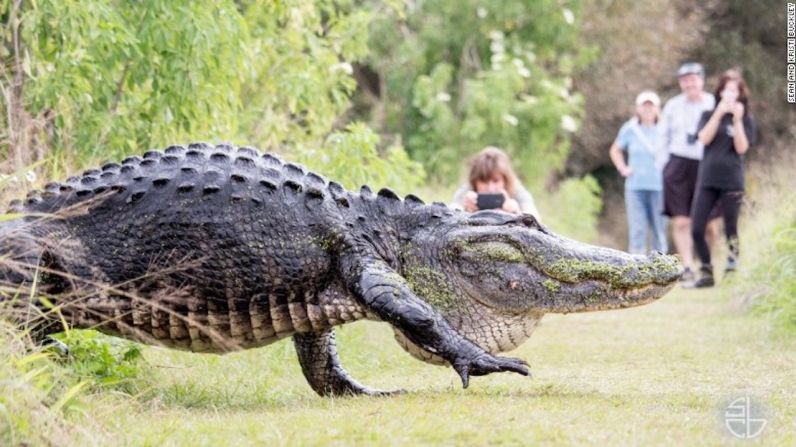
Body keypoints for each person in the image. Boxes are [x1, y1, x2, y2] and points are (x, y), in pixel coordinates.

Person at [690, 70, 756, 288]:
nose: (729, 94)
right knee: (697, 228)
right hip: (708, 178)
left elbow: (741, 147)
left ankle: (732, 267)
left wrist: (736, 120)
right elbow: (704, 138)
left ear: (740, 94)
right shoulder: (708, 114)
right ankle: (706, 270)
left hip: (732, 180)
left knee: (731, 228)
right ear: (720, 91)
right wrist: (719, 113)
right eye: (726, 89)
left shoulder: (746, 119)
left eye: (734, 90)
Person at [660, 62, 719, 281]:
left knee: (710, 223)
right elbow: (662, 138)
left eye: (693, 79)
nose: (690, 83)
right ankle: (687, 266)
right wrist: (664, 168)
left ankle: (707, 264)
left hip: (707, 164)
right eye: (685, 80)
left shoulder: (713, 103)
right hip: (678, 163)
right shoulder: (673, 106)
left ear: (701, 80)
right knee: (681, 221)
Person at [609, 91, 667, 254]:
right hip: (636, 186)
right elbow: (616, 150)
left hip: (660, 186)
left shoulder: (665, 129)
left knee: (659, 229)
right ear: (638, 108)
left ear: (657, 108)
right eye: (644, 105)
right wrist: (623, 168)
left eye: (651, 106)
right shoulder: (630, 129)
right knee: (637, 229)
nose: (648, 109)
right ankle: (636, 267)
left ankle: (660, 268)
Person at [450, 146, 541, 219]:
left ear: (505, 180)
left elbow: (534, 216)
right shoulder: (468, 189)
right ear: (475, 181)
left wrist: (517, 213)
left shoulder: (514, 188)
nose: (490, 188)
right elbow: (450, 211)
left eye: (496, 181)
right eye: (484, 181)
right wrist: (463, 211)